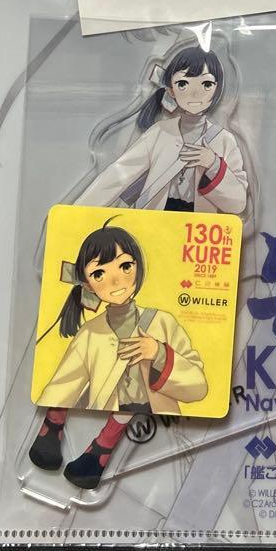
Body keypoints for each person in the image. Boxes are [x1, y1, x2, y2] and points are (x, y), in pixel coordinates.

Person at [28, 219, 207, 490]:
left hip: (160, 426)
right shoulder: (91, 332)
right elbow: (67, 380)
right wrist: (54, 422)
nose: (116, 281)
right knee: (70, 386)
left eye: (125, 267)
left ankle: (102, 446)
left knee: (131, 402)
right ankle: (59, 430)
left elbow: (198, 385)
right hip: (122, 414)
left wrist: (159, 353)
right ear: (88, 285)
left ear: (138, 267)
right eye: (99, 274)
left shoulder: (162, 322)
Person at [77, 46, 248, 214]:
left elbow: (238, 204)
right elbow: (120, 174)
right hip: (156, 221)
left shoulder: (224, 140)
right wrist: (77, 212)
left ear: (218, 88)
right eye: (183, 84)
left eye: (207, 84)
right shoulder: (159, 132)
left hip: (198, 228)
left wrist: (214, 164)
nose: (195, 93)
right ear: (171, 91)